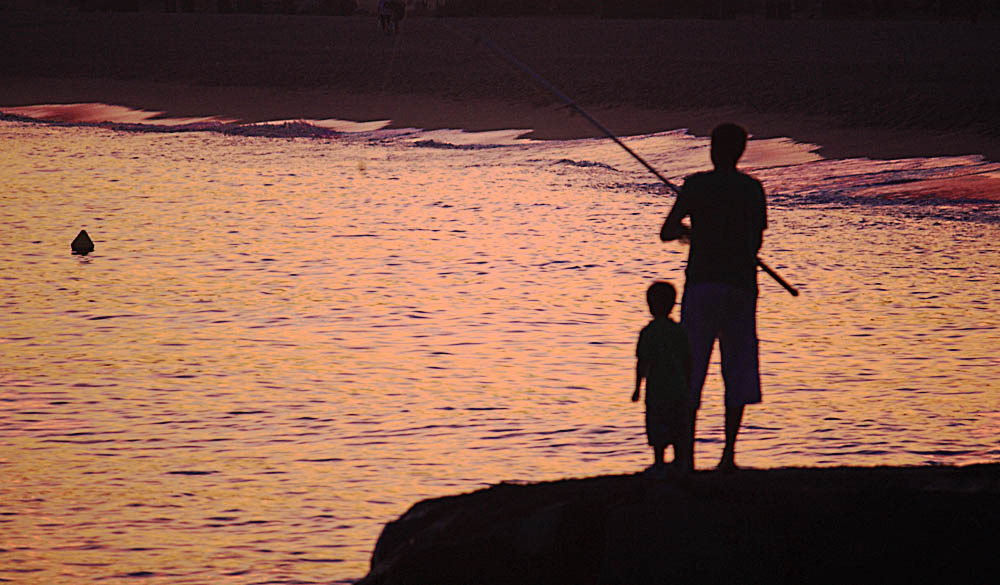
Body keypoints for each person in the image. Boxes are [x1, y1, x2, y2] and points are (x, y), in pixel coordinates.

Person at [659, 123, 766, 472]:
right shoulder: (753, 189)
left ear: (712, 149)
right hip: (740, 287)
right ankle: (728, 457)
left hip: (702, 287)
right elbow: (754, 243)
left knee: (691, 369)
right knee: (736, 369)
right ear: (740, 152)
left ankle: (685, 458)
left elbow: (667, 231)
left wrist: (692, 234)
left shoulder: (697, 185)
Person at [632, 281, 693, 474]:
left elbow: (642, 362)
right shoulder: (679, 331)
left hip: (656, 389)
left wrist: (637, 388)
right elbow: (688, 361)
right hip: (678, 388)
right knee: (678, 425)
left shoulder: (648, 333)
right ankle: (678, 462)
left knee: (657, 425)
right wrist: (689, 385)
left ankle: (659, 463)